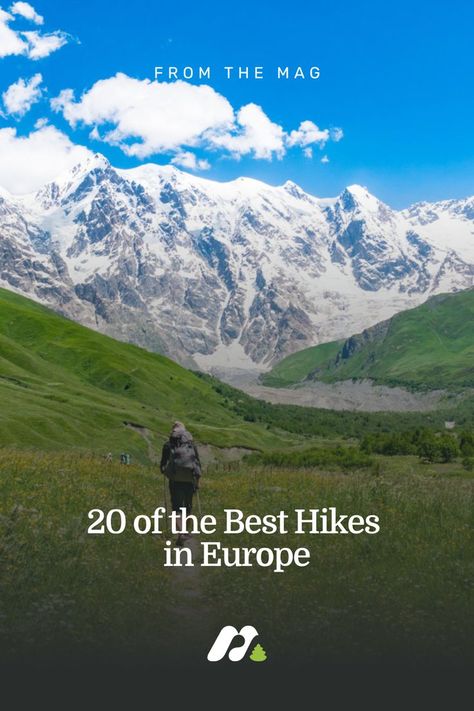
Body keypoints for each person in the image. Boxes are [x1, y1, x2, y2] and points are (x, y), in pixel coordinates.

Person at [160, 421, 201, 538]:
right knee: (188, 506)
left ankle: (181, 533)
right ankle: (186, 531)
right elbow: (197, 463)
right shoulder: (191, 445)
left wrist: (165, 471)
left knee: (176, 507)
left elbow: (163, 464)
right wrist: (198, 481)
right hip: (190, 478)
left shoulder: (168, 445)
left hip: (175, 479)